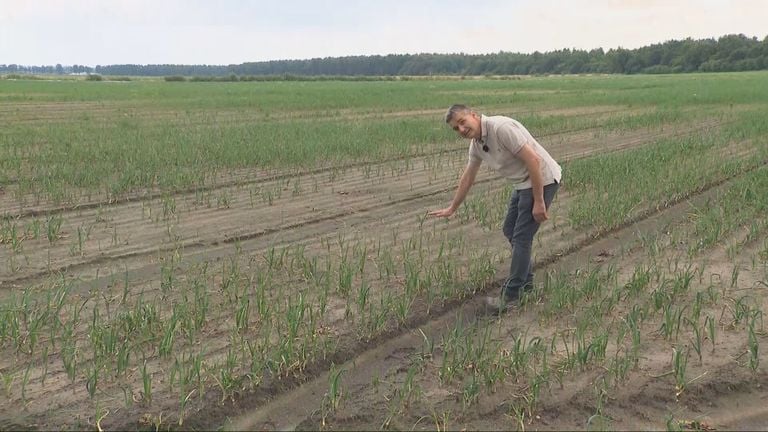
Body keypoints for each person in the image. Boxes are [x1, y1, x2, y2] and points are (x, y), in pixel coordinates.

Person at [428, 104, 562, 312]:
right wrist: (452, 207)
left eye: (462, 123)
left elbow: (534, 160)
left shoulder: (501, 128)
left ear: (473, 115)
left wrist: (539, 201)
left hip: (542, 180)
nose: (461, 130)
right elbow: (469, 176)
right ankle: (525, 285)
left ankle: (512, 295)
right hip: (522, 184)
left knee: (521, 237)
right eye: (456, 129)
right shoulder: (477, 144)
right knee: (510, 230)